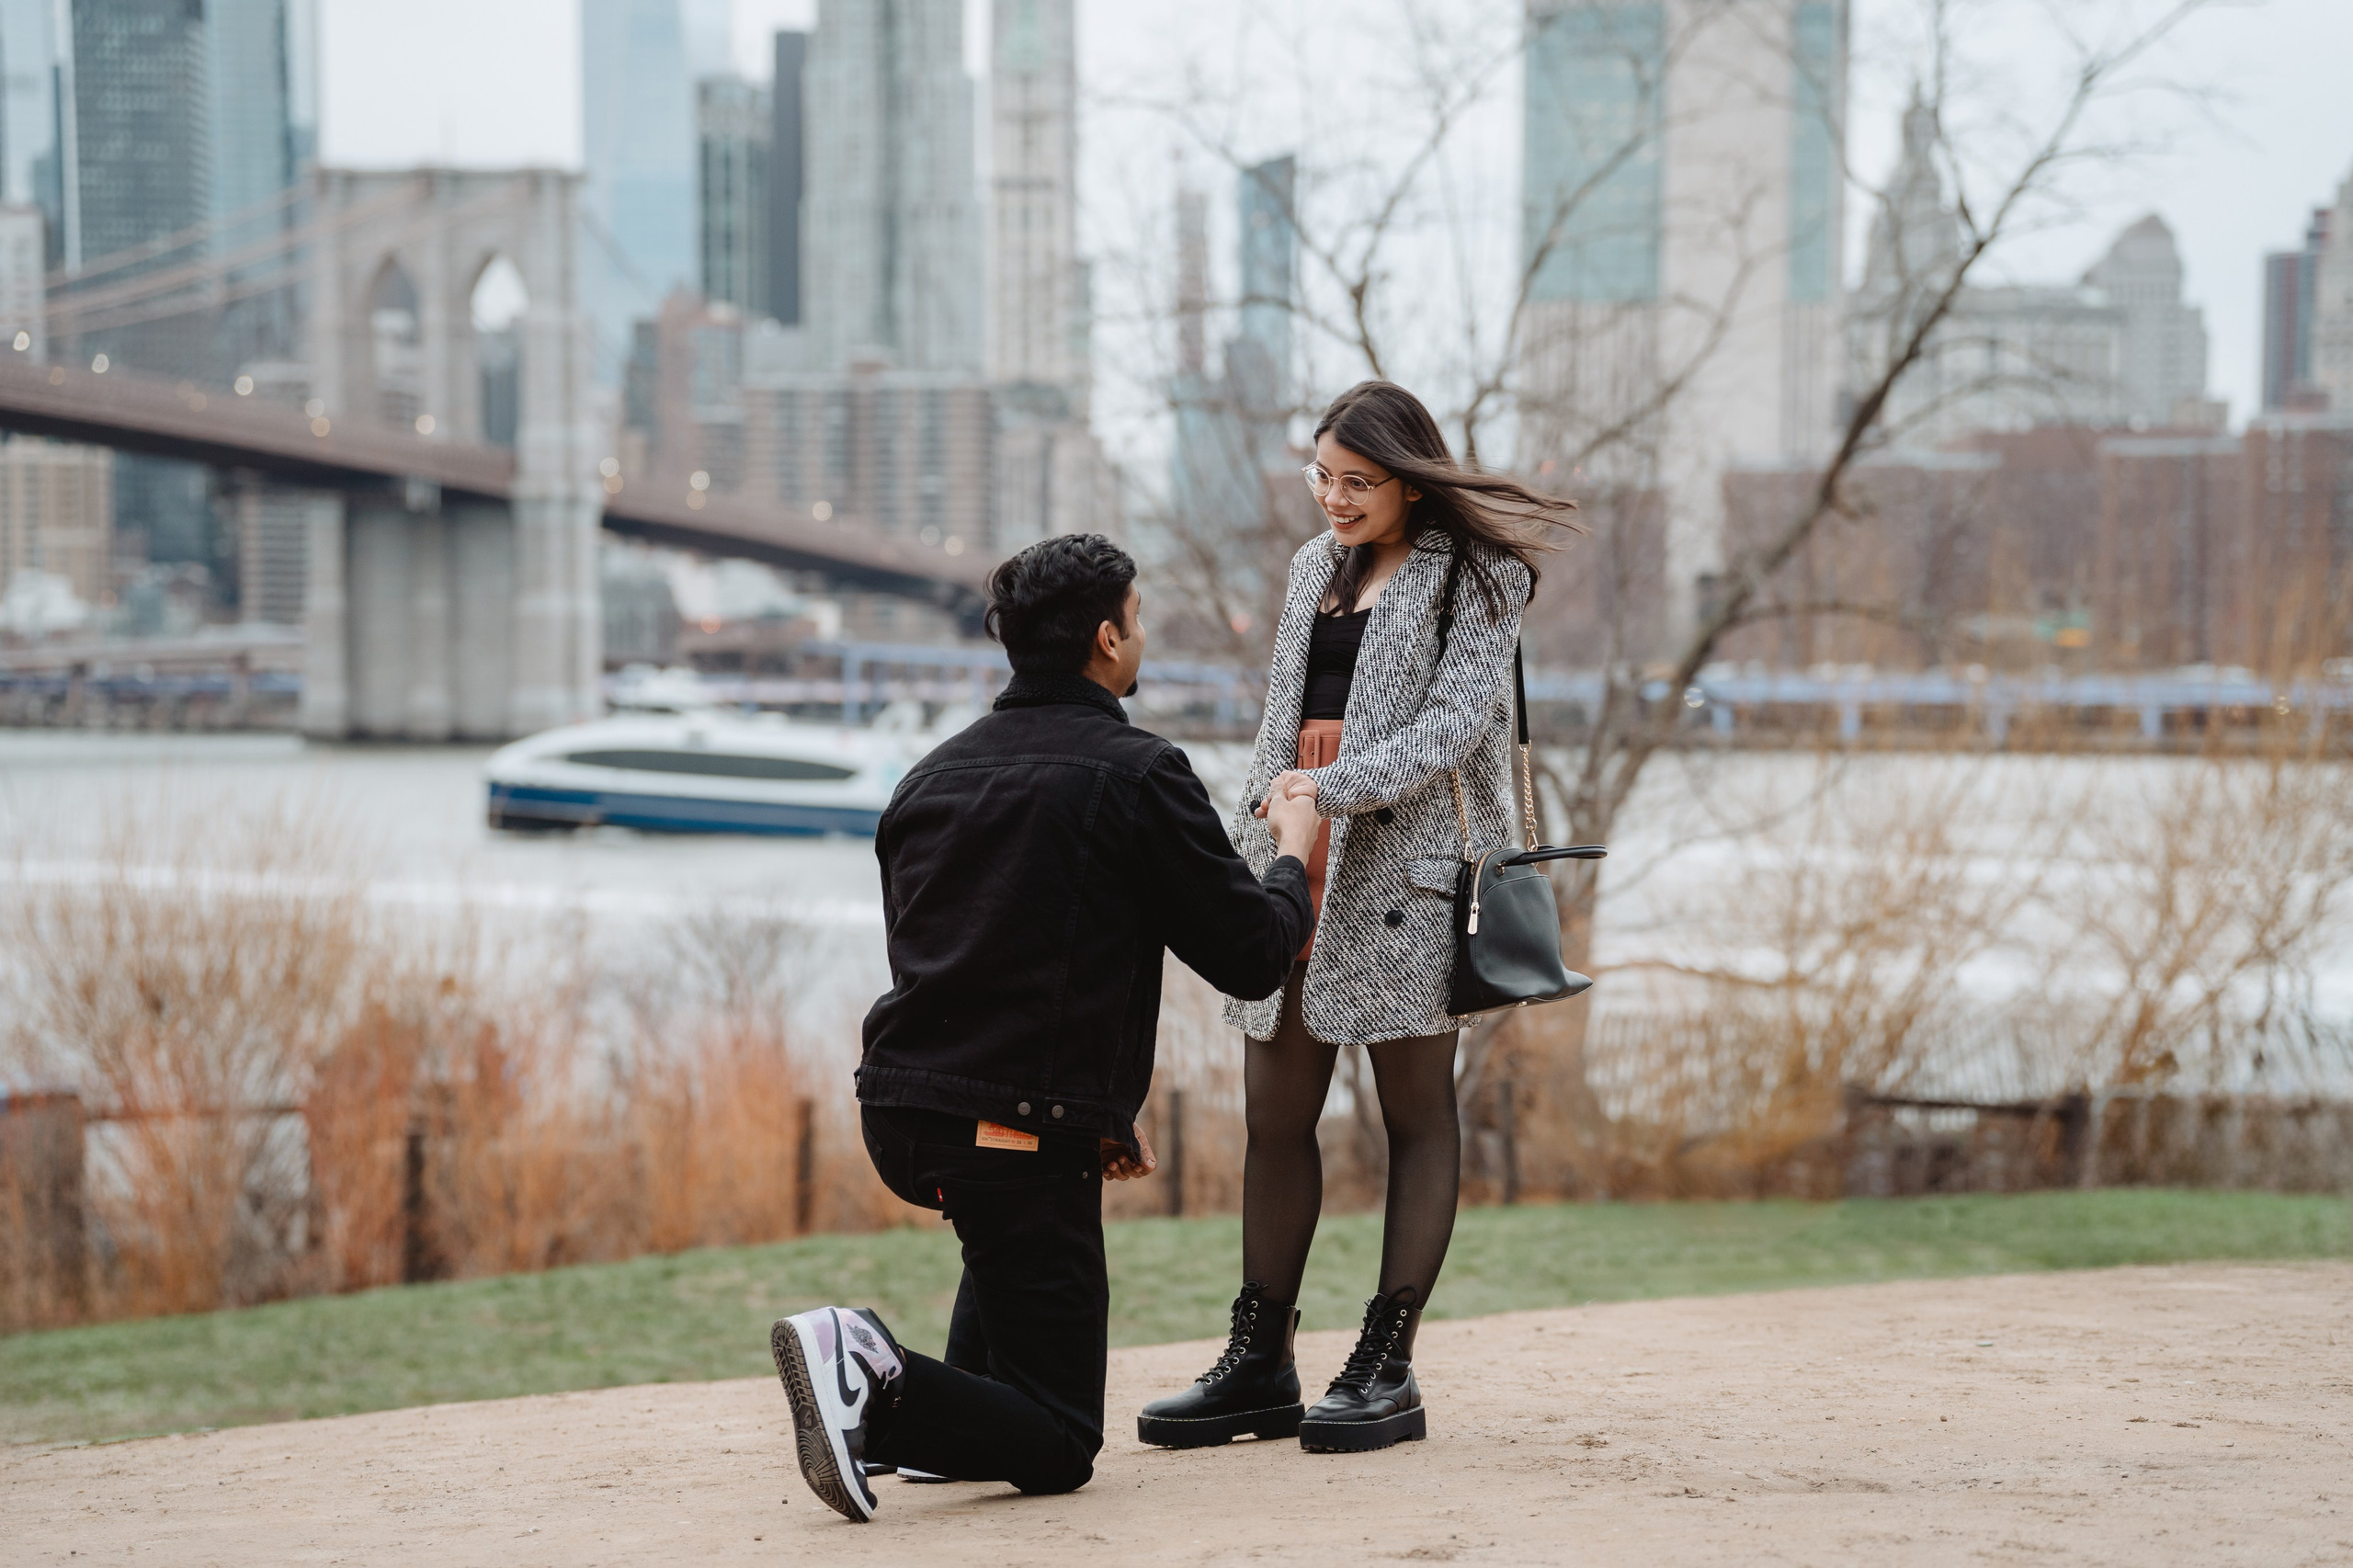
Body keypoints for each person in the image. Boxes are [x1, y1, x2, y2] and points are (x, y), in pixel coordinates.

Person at [769, 532, 1325, 1522]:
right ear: (1106, 638)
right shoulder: (1139, 771)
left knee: (1011, 1283)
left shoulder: (929, 777)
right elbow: (1248, 952)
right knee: (1063, 1436)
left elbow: (980, 961)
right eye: (1140, 618)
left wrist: (1095, 1108)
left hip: (907, 1107)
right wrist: (1291, 852)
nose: (1141, 635)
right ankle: (871, 1371)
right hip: (1012, 1128)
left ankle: (942, 1427)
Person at [1137, 381, 1573, 1455]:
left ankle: (1387, 1359)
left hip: (1405, 871)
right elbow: (1279, 717)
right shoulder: (1307, 567)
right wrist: (1264, 814)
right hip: (1294, 855)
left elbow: (1452, 728)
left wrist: (1325, 792)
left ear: (1407, 479)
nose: (1332, 498)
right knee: (1273, 1115)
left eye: (1356, 482)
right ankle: (1258, 1360)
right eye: (1321, 477)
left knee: (1414, 1114)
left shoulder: (1477, 574)